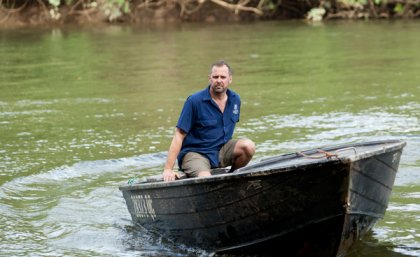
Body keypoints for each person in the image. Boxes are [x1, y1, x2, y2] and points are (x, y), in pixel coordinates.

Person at [162, 60, 255, 182]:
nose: (219, 80)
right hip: (196, 154)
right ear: (209, 79)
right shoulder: (194, 101)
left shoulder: (235, 99)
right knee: (206, 178)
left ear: (230, 79)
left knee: (248, 146)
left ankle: (232, 178)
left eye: (223, 77)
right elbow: (179, 135)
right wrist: (168, 169)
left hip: (221, 150)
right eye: (215, 77)